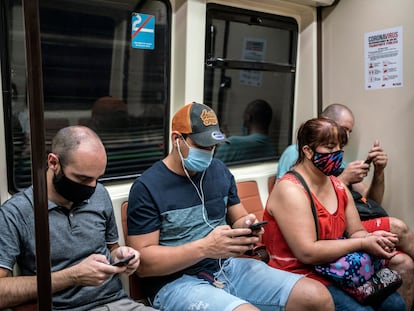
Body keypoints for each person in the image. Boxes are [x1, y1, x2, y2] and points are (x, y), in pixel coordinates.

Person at [127, 102, 334, 311]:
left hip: (226, 266)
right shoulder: (148, 187)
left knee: (318, 297)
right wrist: (205, 248)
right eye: (201, 146)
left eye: (213, 146)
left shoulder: (218, 170)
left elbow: (238, 217)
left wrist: (247, 226)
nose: (209, 152)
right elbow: (144, 265)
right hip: (175, 282)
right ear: (177, 139)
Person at [0, 126, 157, 311]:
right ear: (53, 163)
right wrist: (73, 276)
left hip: (117, 303)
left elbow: (111, 250)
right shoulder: (16, 213)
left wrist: (121, 256)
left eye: (96, 178)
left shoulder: (99, 194)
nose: (91, 187)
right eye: (83, 179)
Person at [276, 103, 414, 308]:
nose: (337, 152)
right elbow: (307, 252)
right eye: (331, 147)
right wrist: (361, 243)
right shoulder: (291, 187)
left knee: (395, 304)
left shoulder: (336, 183)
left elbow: (360, 221)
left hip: (336, 263)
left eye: (341, 145)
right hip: (303, 268)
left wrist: (371, 238)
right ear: (307, 150)